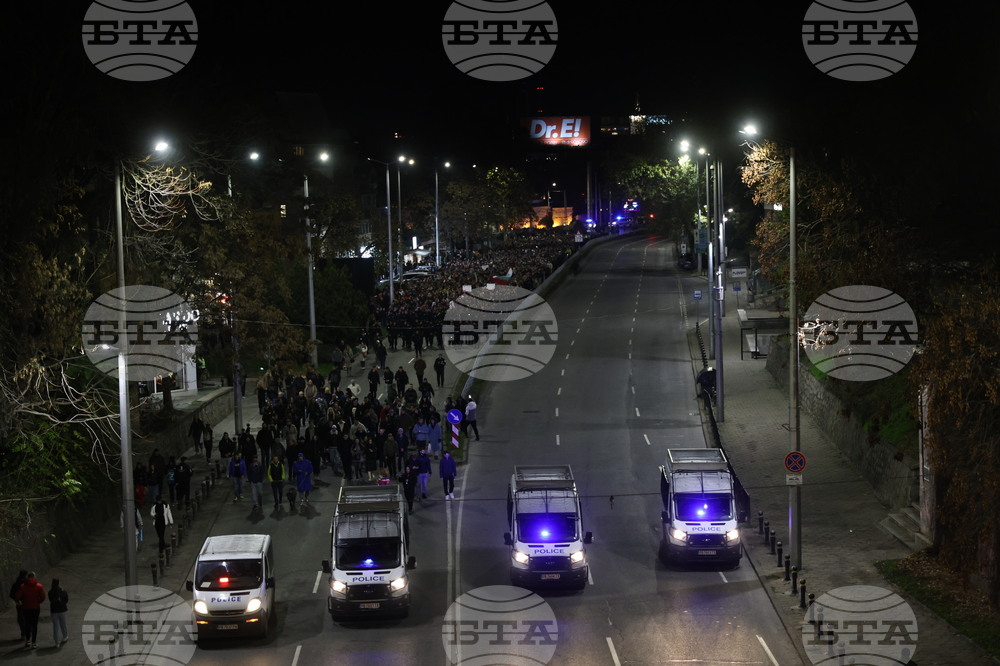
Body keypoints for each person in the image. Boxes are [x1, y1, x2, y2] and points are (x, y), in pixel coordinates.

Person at [13, 572, 45, 649]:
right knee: (34, 625)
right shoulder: (39, 586)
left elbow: (17, 596)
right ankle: (34, 642)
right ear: (34, 577)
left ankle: (28, 641)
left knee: (27, 624)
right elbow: (43, 597)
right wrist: (38, 601)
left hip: (26, 608)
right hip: (35, 608)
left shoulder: (23, 586)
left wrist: (20, 602)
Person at [9, 570, 28, 646]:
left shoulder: (15, 584)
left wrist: (16, 600)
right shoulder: (26, 583)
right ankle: (28, 633)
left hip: (19, 603)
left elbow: (11, 594)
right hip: (27, 603)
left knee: (20, 618)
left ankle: (23, 633)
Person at [48, 579, 69, 647]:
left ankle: (57, 642)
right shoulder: (63, 591)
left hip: (54, 611)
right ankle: (65, 636)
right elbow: (66, 600)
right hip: (62, 610)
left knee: (56, 627)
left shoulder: (50, 592)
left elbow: (50, 600)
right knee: (63, 624)